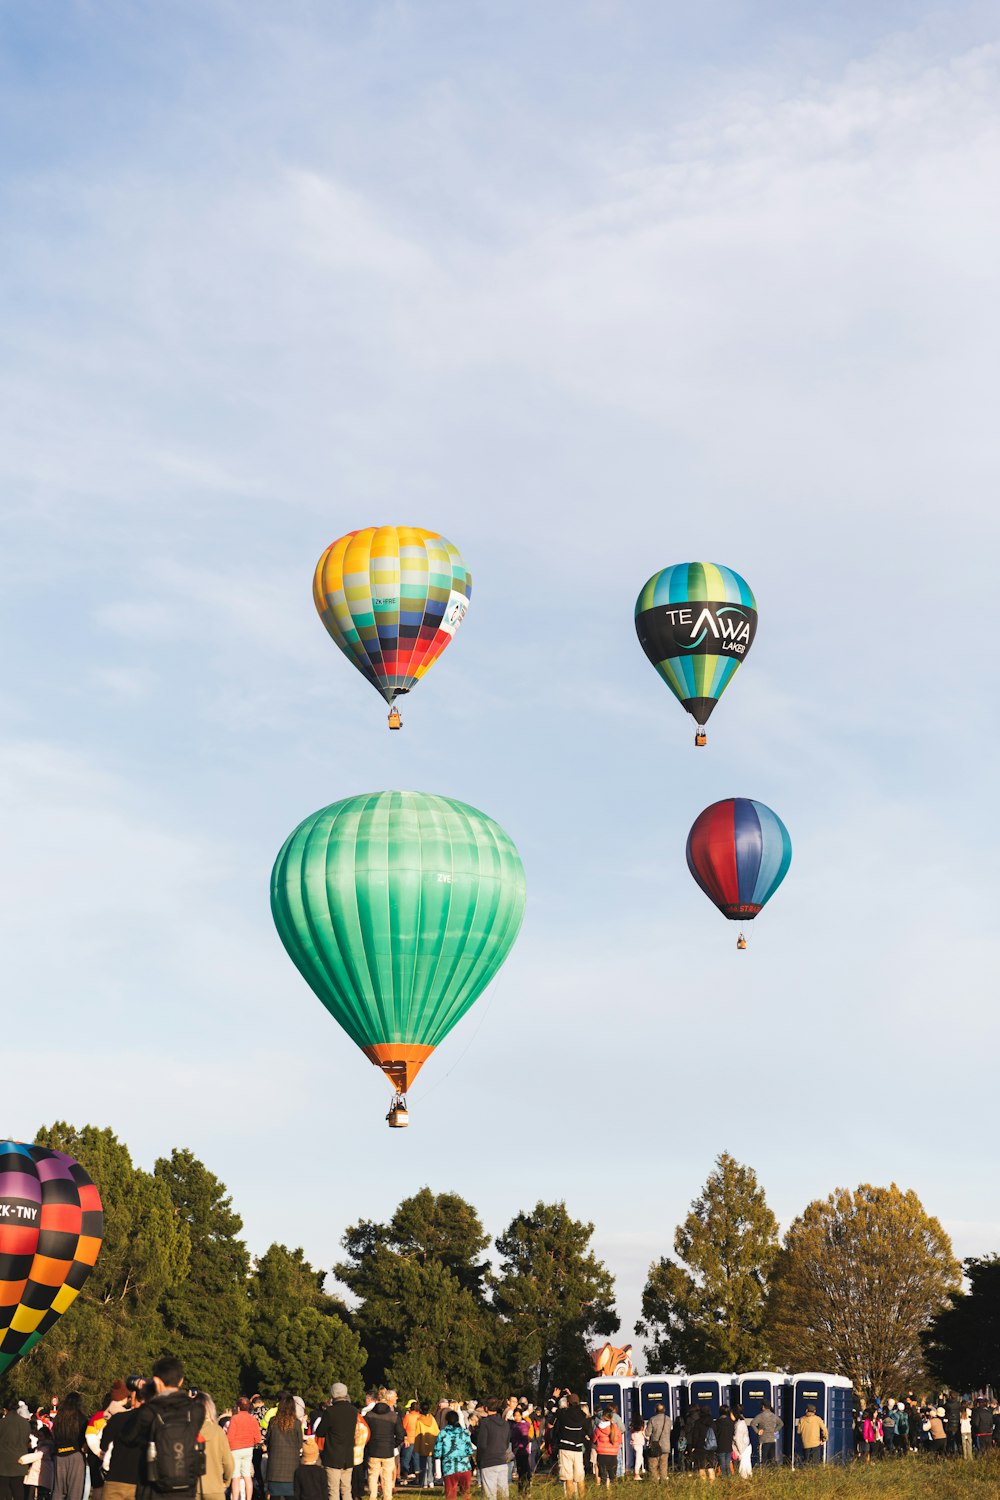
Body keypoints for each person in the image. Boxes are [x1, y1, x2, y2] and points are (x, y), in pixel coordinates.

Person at [99, 1383, 148, 1500]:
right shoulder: (153, 1421)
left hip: (115, 1480)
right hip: (140, 1482)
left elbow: (104, 1445)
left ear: (134, 1398)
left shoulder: (117, 1418)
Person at [313, 1385, 357, 1500]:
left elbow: (320, 1432)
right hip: (348, 1454)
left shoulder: (330, 1412)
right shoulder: (353, 1410)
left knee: (333, 1489)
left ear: (333, 1394)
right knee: (347, 1488)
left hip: (333, 1455)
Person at [363, 1397, 403, 1500]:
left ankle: (372, 1496)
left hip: (373, 1450)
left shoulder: (369, 1415)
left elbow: (364, 1432)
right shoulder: (394, 1416)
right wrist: (393, 1445)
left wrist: (368, 1445)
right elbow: (400, 1435)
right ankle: (387, 1497)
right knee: (387, 1476)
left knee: (372, 1475)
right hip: (388, 1450)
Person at [550, 1396, 589, 1499]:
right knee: (580, 1478)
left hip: (565, 1448)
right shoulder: (582, 1415)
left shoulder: (563, 1413)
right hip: (578, 1450)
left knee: (568, 1478)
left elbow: (550, 1407)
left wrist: (554, 1397)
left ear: (568, 1403)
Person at [266, 1397, 304, 1500]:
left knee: (275, 1497)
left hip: (274, 1469)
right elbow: (300, 1443)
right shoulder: (296, 1423)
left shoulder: (273, 1421)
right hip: (291, 1470)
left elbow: (267, 1441)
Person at [50, 1396, 88, 1500]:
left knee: (58, 1490)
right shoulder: (82, 1418)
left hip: (59, 1456)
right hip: (76, 1455)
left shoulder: (58, 1418)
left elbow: (54, 1435)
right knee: (75, 1491)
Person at [198, 1395, 235, 1500]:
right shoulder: (217, 1431)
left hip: (192, 1489)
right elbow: (228, 1462)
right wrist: (226, 1481)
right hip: (214, 1487)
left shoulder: (186, 1431)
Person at [227, 1398, 264, 1500]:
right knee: (247, 1476)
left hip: (235, 1449)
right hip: (248, 1449)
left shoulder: (234, 1418)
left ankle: (235, 1498)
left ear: (238, 1407)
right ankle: (248, 1498)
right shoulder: (253, 1419)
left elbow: (229, 1437)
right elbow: (258, 1438)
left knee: (235, 1477)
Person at [474, 1400, 511, 1500]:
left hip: (488, 1461)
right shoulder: (505, 1423)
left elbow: (481, 1444)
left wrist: (479, 1459)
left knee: (490, 1495)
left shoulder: (485, 1423)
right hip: (502, 1460)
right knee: (504, 1494)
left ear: (486, 1408)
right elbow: (507, 1443)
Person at [431, 1414, 474, 1500]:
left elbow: (437, 1452)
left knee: (450, 1494)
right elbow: (469, 1450)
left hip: (449, 1468)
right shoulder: (464, 1432)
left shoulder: (443, 1433)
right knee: (466, 1494)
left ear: (447, 1421)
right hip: (464, 1467)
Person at [0, 1401, 33, 1500]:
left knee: (4, 1490)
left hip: (3, 1463)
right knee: (18, 1490)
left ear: (5, 1410)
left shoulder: (2, 1423)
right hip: (20, 1461)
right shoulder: (25, 1423)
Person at [592, 1413, 621, 1489]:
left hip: (602, 1455)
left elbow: (594, 1440)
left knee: (603, 1478)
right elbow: (620, 1441)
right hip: (613, 1455)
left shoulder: (598, 1429)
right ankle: (616, 1495)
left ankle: (603, 1494)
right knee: (613, 1478)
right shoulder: (616, 1428)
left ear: (602, 1418)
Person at [687, 1406, 716, 1484]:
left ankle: (703, 1485)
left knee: (701, 1467)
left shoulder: (698, 1422)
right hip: (711, 1447)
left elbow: (695, 1436)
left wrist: (694, 1446)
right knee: (710, 1467)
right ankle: (712, 1484)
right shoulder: (712, 1422)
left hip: (700, 1448)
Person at [643, 1405, 670, 1484]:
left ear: (655, 1410)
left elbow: (647, 1433)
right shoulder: (668, 1419)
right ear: (664, 1410)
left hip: (655, 1446)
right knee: (664, 1466)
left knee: (653, 1465)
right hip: (666, 1446)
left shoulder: (652, 1419)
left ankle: (654, 1481)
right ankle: (664, 1482)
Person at [751, 1402, 781, 1467]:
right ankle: (773, 1473)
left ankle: (764, 1473)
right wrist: (774, 1430)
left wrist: (757, 1431)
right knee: (772, 1458)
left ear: (763, 1407)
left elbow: (752, 1423)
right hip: (772, 1440)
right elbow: (781, 1424)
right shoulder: (773, 1415)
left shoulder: (761, 1416)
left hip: (764, 1440)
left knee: (763, 1459)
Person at [713, 1408, 734, 1479]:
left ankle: (725, 1479)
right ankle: (729, 1478)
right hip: (728, 1446)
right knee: (727, 1463)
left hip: (720, 1446)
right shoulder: (731, 1422)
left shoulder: (717, 1422)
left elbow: (715, 1435)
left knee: (722, 1464)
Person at [731, 1408, 751, 1481]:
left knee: (743, 1469)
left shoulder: (739, 1425)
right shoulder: (741, 1423)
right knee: (746, 1467)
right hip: (746, 1447)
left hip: (743, 1449)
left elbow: (738, 1439)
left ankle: (744, 1482)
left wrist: (739, 1452)